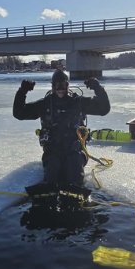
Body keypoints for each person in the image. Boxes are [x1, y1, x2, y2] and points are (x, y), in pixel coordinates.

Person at [13, 70, 110, 205]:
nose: (60, 89)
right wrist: (22, 91)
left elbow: (104, 109)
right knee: (52, 171)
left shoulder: (78, 102)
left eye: (63, 85)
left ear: (68, 85)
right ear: (52, 86)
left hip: (75, 149)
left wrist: (98, 88)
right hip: (52, 150)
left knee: (74, 170)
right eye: (57, 85)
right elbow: (19, 113)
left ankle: (76, 195)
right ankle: (48, 195)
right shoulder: (45, 104)